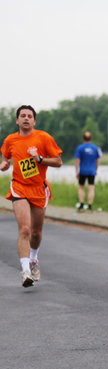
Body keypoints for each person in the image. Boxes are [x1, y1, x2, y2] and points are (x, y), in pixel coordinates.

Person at [0, 105, 63, 287]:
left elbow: (58, 161)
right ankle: (25, 271)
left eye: (29, 116)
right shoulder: (10, 140)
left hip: (38, 189)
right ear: (17, 120)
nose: (26, 118)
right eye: (22, 116)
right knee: (25, 230)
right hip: (19, 187)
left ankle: (34, 259)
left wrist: (40, 159)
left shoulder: (43, 138)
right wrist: (4, 164)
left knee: (36, 233)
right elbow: (6, 158)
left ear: (34, 121)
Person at [74, 131, 101, 212]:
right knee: (91, 188)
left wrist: (76, 171)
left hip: (82, 171)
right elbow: (97, 160)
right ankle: (89, 205)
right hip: (92, 171)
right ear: (91, 138)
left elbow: (77, 160)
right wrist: (96, 169)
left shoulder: (80, 148)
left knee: (81, 188)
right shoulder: (95, 148)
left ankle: (81, 204)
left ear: (83, 138)